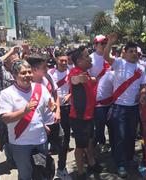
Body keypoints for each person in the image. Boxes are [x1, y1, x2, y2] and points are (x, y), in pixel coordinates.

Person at [0, 60, 55, 180]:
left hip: (40, 139)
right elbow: (5, 118)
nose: (28, 75)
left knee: (42, 173)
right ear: (14, 76)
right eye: (23, 73)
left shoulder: (40, 88)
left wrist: (52, 109)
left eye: (29, 72)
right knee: (25, 175)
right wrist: (24, 112)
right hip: (20, 143)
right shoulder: (6, 93)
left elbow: (44, 110)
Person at [104, 33, 146, 178]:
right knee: (120, 136)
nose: (134, 53)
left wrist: (142, 94)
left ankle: (129, 158)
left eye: (136, 51)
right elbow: (106, 57)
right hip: (119, 107)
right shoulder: (119, 63)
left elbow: (144, 85)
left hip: (134, 107)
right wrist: (109, 42)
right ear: (125, 53)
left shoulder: (141, 69)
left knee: (131, 136)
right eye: (131, 51)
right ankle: (120, 163)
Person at [68, 46, 102, 179]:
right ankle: (81, 172)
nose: (90, 58)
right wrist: (78, 79)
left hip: (89, 115)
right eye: (87, 56)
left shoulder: (86, 73)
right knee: (80, 146)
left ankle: (92, 163)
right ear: (79, 61)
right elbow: (73, 79)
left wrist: (92, 80)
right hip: (79, 117)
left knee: (89, 141)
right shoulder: (75, 72)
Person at [0, 47, 20, 167]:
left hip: (18, 106)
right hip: (5, 108)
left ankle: (19, 156)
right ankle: (11, 158)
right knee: (6, 135)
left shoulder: (17, 71)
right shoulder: (0, 71)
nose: (16, 63)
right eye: (13, 60)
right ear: (6, 61)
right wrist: (10, 52)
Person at [47, 51, 72, 179]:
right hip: (53, 111)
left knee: (65, 139)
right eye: (61, 60)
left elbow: (74, 87)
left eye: (65, 60)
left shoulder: (70, 72)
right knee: (50, 140)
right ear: (56, 60)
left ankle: (62, 168)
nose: (63, 62)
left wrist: (70, 94)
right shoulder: (50, 74)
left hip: (67, 109)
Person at [89, 35, 112, 152]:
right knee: (100, 124)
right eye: (102, 43)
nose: (104, 45)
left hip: (112, 96)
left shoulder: (111, 57)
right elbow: (87, 77)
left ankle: (113, 145)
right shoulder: (90, 59)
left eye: (105, 43)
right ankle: (101, 143)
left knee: (112, 124)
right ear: (95, 45)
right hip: (97, 97)